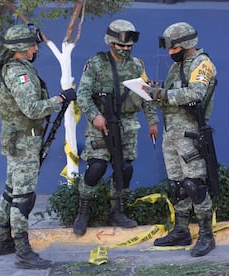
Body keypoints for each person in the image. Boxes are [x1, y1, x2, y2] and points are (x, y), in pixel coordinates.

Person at [0, 24, 76, 269]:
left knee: (11, 190)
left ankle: (4, 239)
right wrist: (60, 99)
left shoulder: (14, 67)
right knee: (23, 197)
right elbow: (32, 108)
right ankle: (23, 251)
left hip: (19, 137)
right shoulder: (18, 73)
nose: (36, 49)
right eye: (32, 45)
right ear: (21, 48)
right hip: (24, 141)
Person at [73, 19, 159, 236]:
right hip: (101, 124)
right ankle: (83, 213)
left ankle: (117, 211)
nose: (125, 50)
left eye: (129, 47)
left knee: (125, 169)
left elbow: (145, 94)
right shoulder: (96, 63)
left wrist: (152, 121)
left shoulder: (136, 65)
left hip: (127, 124)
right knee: (96, 168)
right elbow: (82, 94)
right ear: (111, 43)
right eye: (121, 46)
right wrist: (94, 116)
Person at [146, 22, 218, 257]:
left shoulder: (201, 63)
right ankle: (181, 230)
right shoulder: (176, 67)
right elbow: (169, 96)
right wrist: (153, 91)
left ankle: (206, 235)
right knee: (177, 186)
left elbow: (195, 94)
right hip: (171, 134)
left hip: (190, 134)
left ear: (186, 45)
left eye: (173, 47)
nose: (169, 53)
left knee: (194, 185)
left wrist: (163, 94)